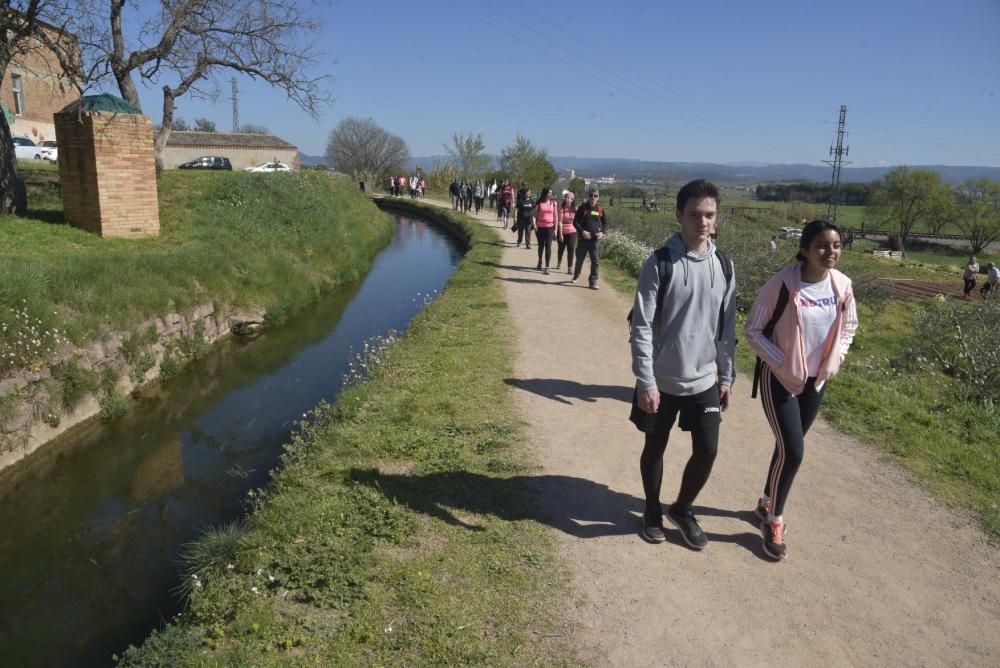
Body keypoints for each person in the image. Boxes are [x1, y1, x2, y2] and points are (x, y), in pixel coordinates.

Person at [630, 179, 737, 549]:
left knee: (707, 450)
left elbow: (727, 326)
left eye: (709, 215)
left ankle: (683, 508)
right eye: (694, 214)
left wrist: (726, 375)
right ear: (679, 216)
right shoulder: (660, 262)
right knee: (654, 447)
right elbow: (641, 325)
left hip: (705, 378)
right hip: (661, 379)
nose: (702, 222)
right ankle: (651, 509)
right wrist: (646, 381)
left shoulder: (724, 264)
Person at [744, 220, 858, 561]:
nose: (830, 252)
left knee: (787, 447)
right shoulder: (782, 284)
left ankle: (766, 502)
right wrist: (780, 362)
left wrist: (836, 357)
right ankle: (774, 521)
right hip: (779, 378)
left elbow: (850, 326)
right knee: (794, 450)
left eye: (836, 245)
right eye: (822, 245)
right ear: (805, 249)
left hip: (816, 381)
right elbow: (753, 330)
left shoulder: (842, 286)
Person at [572, 187, 607, 289]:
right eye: (591, 195)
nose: (593, 197)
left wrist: (602, 233)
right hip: (583, 239)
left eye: (595, 196)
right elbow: (575, 222)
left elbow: (605, 223)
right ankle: (576, 274)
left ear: (598, 197)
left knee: (595, 261)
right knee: (580, 259)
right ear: (588, 196)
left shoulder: (600, 209)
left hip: (595, 241)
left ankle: (593, 281)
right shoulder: (582, 208)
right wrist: (582, 231)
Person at [533, 187, 558, 274]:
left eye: (551, 193)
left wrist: (556, 229)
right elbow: (534, 215)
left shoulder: (554, 203)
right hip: (540, 227)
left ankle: (547, 267)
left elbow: (556, 217)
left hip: (550, 227)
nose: (550, 194)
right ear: (545, 193)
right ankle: (540, 261)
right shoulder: (539, 203)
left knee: (548, 246)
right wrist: (534, 225)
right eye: (549, 193)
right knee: (541, 246)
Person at [556, 191, 577, 274]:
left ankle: (570, 268)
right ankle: (559, 262)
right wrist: (560, 234)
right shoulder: (562, 209)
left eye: (569, 198)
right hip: (563, 231)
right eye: (566, 197)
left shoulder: (575, 209)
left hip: (572, 231)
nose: (567, 199)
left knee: (571, 249)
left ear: (572, 199)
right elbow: (560, 222)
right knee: (561, 249)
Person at [514, 183, 535, 249]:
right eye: (527, 192)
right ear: (525, 193)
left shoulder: (532, 201)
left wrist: (534, 218)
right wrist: (515, 217)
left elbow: (534, 210)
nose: (529, 193)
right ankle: (519, 241)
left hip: (528, 219)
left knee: (528, 232)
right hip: (521, 219)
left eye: (529, 192)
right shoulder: (521, 201)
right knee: (520, 232)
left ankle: (528, 244)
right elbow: (516, 209)